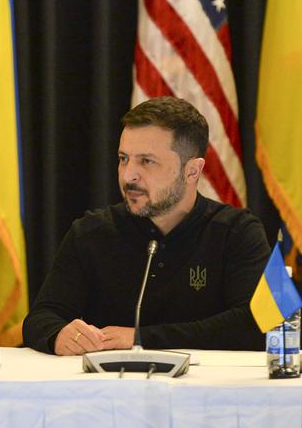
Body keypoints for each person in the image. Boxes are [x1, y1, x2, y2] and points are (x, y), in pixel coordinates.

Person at [22, 96, 270, 355]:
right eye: (123, 158)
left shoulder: (236, 232)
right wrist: (59, 335)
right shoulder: (91, 232)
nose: (128, 175)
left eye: (147, 161)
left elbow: (257, 325)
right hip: (111, 391)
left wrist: (141, 339)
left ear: (192, 171)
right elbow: (41, 318)